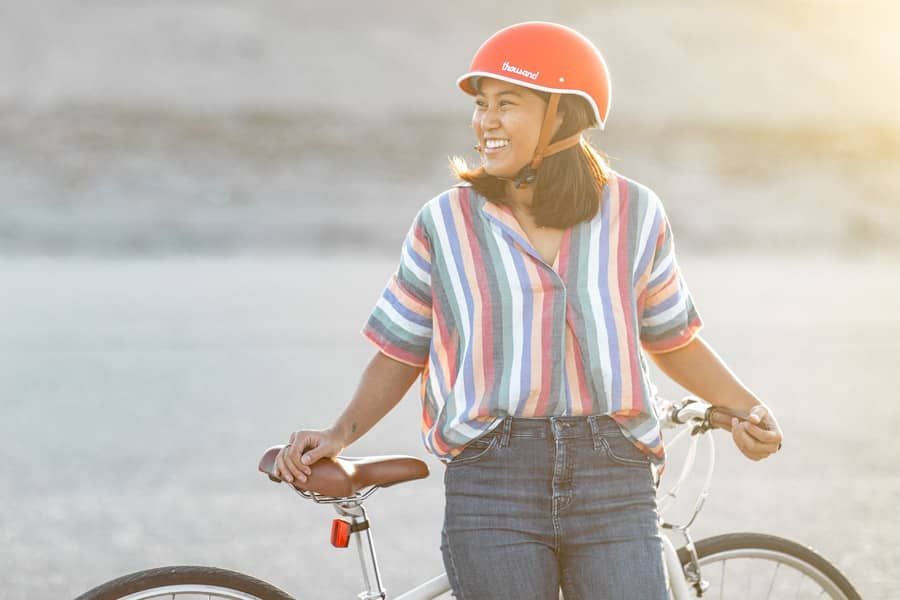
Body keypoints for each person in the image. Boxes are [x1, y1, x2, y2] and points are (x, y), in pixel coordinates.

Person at [274, 21, 785, 599]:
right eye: (481, 105)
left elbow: (672, 338)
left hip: (614, 475)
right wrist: (339, 433)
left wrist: (746, 408)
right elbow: (401, 349)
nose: (485, 121)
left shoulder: (636, 213)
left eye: (507, 104)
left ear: (563, 116)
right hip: (494, 479)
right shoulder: (444, 223)